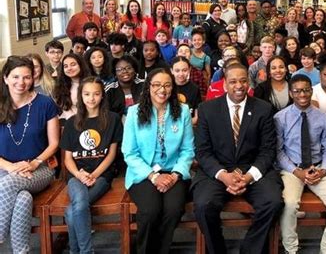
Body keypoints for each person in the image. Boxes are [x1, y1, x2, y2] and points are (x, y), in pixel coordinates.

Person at [193, 63, 283, 254]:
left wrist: (249, 176)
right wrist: (224, 175)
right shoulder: (207, 109)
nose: (239, 86)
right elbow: (203, 152)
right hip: (218, 171)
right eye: (233, 81)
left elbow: (268, 150)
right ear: (224, 84)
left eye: (243, 80)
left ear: (249, 82)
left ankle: (250, 250)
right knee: (203, 205)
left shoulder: (263, 109)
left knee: (273, 202)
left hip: (252, 170)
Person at [122, 68, 194, 254]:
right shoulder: (134, 113)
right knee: (150, 210)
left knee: (173, 210)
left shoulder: (183, 111)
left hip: (174, 172)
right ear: (148, 87)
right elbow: (129, 153)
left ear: (172, 88)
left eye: (167, 85)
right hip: (143, 173)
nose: (162, 89)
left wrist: (175, 175)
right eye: (156, 84)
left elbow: (187, 150)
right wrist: (153, 176)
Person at [275, 74, 326, 254]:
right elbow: (278, 152)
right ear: (291, 93)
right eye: (297, 91)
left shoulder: (324, 118)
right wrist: (296, 171)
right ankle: (291, 248)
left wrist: (323, 170)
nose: (302, 95)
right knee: (289, 204)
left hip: (317, 168)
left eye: (306, 90)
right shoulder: (280, 118)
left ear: (311, 91)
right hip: (292, 169)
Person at [0, 56, 59, 254]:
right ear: (6, 78)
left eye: (26, 77)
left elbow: (54, 144)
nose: (21, 82)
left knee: (9, 184)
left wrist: (34, 163)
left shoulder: (45, 104)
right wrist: (10, 167)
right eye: (15, 77)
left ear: (33, 78)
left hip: (39, 170)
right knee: (23, 198)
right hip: (4, 170)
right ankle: (21, 252)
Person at [60, 77, 123, 254]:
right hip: (76, 175)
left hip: (102, 175)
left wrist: (94, 174)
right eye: (87, 94)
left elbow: (111, 154)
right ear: (81, 96)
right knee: (78, 206)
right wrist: (79, 175)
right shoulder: (72, 122)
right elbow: (68, 159)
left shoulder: (112, 119)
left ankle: (77, 251)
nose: (91, 98)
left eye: (96, 94)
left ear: (102, 95)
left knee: (74, 210)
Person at [54, 53, 90, 123]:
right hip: (69, 122)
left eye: (73, 64)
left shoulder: (91, 84)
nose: (69, 68)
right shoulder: (61, 86)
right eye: (66, 66)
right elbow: (65, 109)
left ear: (80, 65)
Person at [171, 56, 202, 126]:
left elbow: (196, 117)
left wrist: (184, 125)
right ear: (171, 71)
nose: (181, 74)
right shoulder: (168, 87)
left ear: (189, 69)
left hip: (189, 124)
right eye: (177, 71)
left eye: (184, 70)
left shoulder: (195, 88)